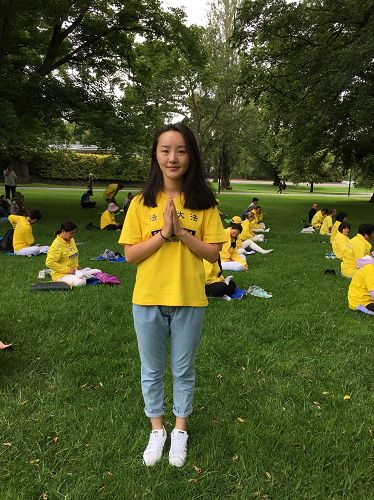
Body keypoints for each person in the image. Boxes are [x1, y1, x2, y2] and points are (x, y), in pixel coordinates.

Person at [119, 123, 226, 468]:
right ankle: (157, 429)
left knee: (183, 370)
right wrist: (164, 233)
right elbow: (131, 256)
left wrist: (182, 232)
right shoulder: (140, 203)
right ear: (155, 155)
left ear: (191, 155)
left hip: (189, 299)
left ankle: (179, 430)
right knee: (151, 370)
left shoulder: (204, 203)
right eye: (165, 150)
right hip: (147, 298)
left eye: (180, 150)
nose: (172, 158)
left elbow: (212, 253)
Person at [46, 220, 86, 287]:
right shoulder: (56, 245)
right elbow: (49, 262)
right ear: (63, 231)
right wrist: (68, 270)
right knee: (81, 282)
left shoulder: (71, 240)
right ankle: (58, 281)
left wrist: (77, 266)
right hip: (61, 275)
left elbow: (72, 256)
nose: (73, 235)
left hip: (74, 271)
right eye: (71, 233)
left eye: (74, 233)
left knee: (96, 271)